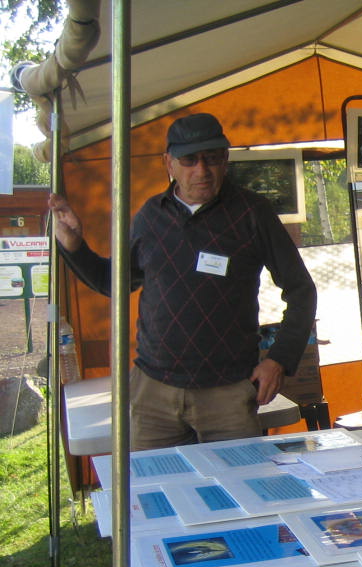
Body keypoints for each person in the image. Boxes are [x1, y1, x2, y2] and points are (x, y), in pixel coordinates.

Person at [48, 112, 316, 449]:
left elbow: (301, 290)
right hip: (154, 394)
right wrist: (74, 247)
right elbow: (113, 283)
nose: (201, 170)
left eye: (212, 158)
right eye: (189, 160)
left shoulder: (252, 213)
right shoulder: (150, 217)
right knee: (156, 491)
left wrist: (279, 359)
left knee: (234, 494)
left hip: (228, 395)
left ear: (225, 159)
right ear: (168, 164)